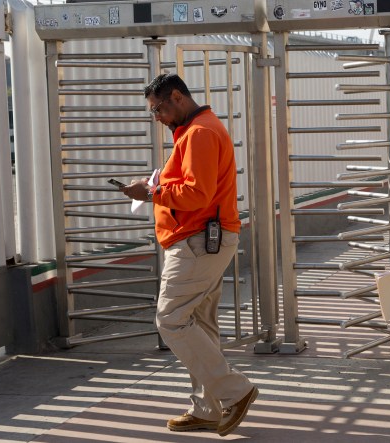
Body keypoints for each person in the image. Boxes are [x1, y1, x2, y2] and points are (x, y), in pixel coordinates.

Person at [121, 73, 257, 436]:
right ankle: (207, 408)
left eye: (158, 109)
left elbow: (197, 194)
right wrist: (158, 185)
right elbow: (191, 185)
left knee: (171, 320)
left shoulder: (199, 133)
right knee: (200, 324)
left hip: (197, 242)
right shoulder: (195, 131)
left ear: (177, 97)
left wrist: (150, 194)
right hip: (199, 239)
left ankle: (235, 391)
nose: (157, 117)